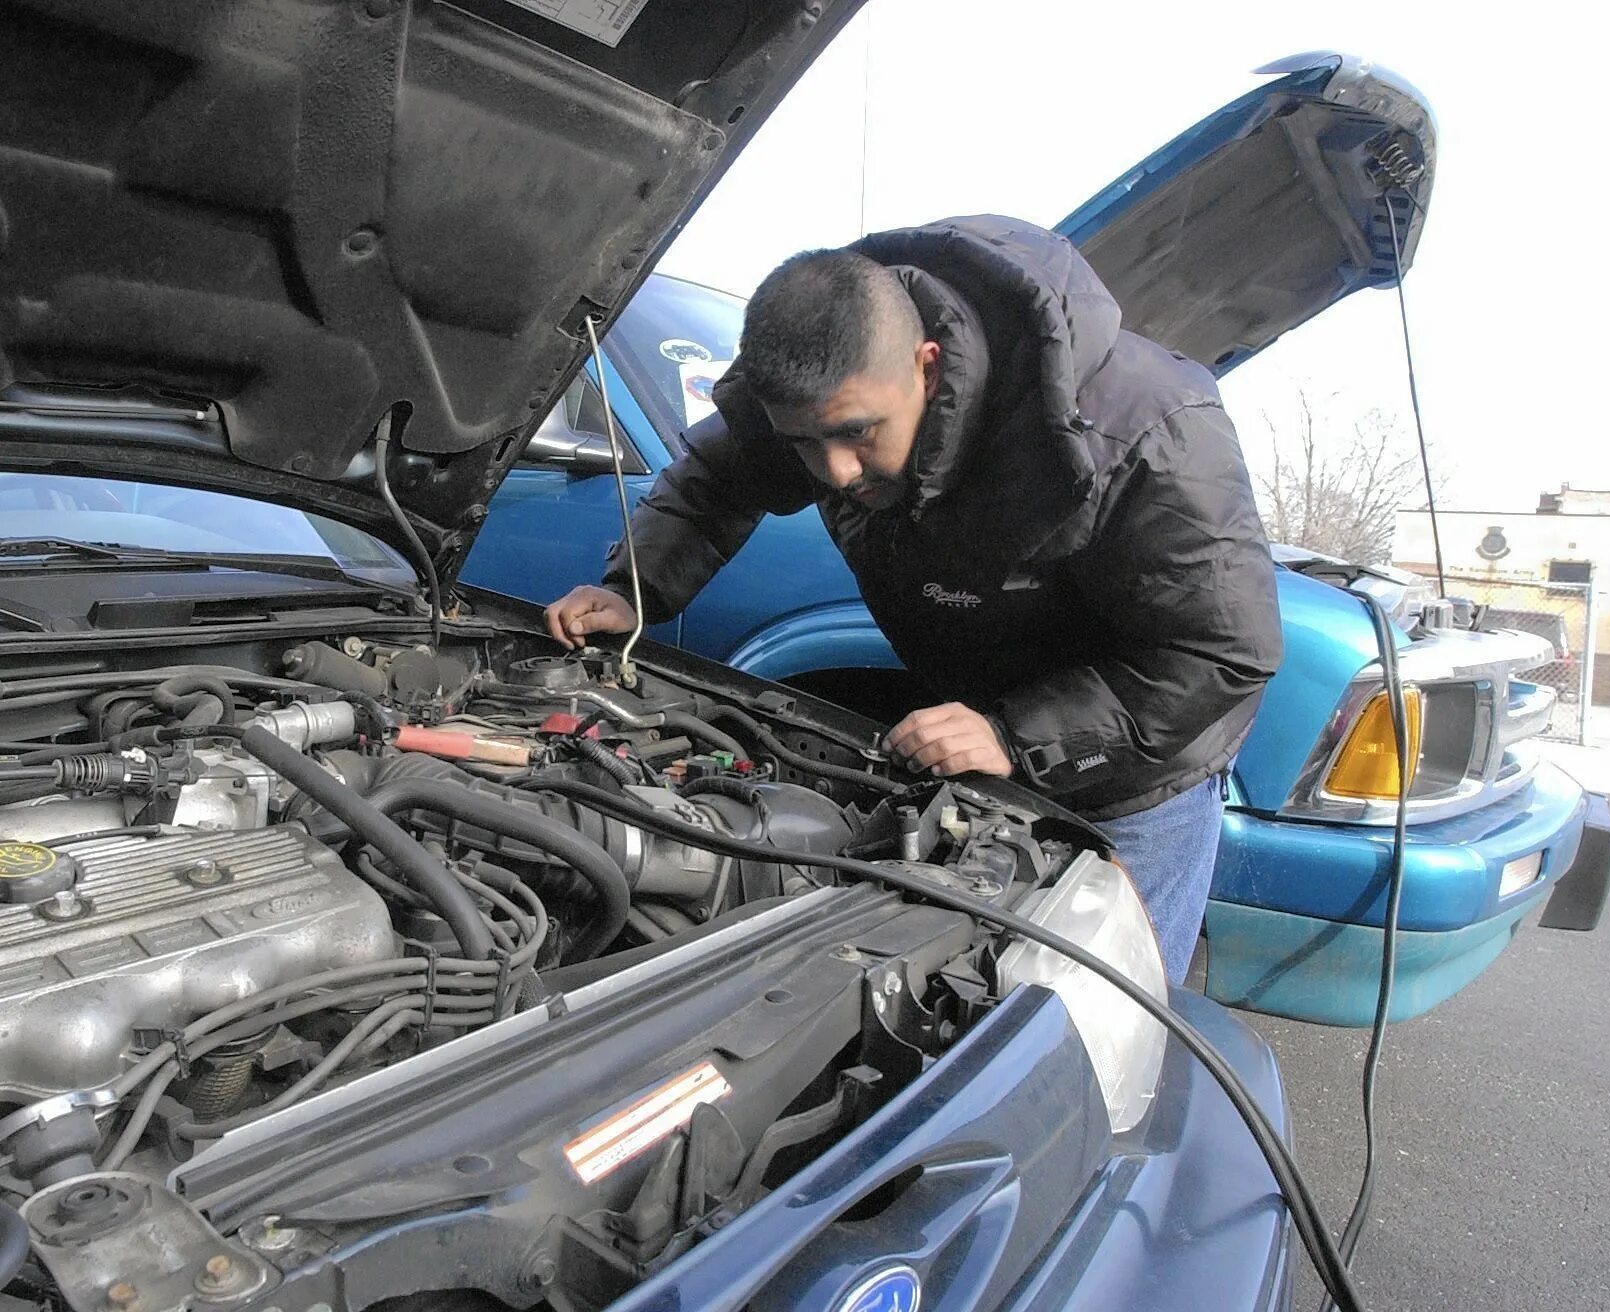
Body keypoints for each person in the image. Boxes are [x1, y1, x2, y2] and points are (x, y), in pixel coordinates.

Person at [544, 216, 1282, 982]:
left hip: (1131, 777)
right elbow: (717, 477)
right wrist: (637, 586)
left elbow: (1221, 650)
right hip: (976, 733)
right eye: (803, 444)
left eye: (857, 433)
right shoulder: (825, 388)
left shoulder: (1147, 435)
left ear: (928, 366)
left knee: (1094, 1019)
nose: (832, 471)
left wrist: (1020, 738)